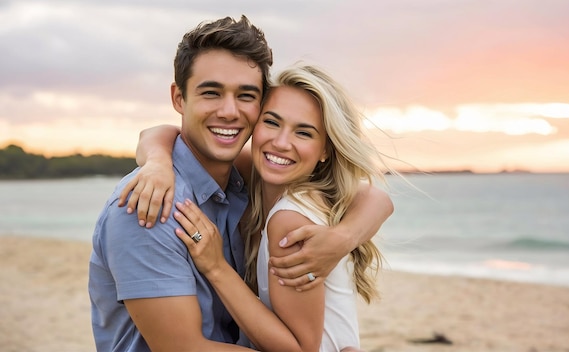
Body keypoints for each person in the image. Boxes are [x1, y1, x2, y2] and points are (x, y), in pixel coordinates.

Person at [89, 15, 392, 351]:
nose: (230, 112)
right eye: (211, 93)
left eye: (246, 96)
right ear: (179, 99)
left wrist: (342, 237)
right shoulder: (149, 204)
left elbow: (373, 198)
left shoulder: (245, 178)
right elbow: (183, 348)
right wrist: (157, 162)